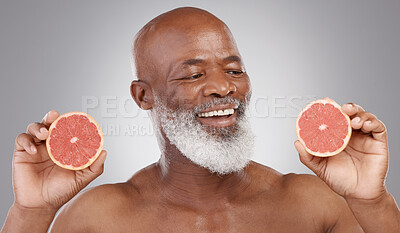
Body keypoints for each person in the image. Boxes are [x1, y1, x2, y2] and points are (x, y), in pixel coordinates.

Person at [2, 7, 400, 233]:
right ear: (144, 96)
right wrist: (31, 213)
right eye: (193, 75)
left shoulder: (315, 205)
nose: (222, 88)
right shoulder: (99, 218)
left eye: (234, 70)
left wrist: (373, 201)